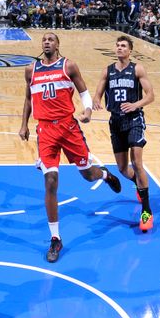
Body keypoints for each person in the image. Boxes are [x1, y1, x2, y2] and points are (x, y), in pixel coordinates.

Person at [19, 32, 121, 263]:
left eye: (51, 39)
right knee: (51, 180)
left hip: (68, 128)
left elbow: (84, 92)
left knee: (87, 175)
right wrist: (24, 124)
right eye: (44, 39)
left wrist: (87, 111)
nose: (47, 42)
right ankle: (56, 238)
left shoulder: (68, 65)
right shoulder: (31, 69)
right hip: (45, 131)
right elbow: (28, 99)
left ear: (58, 44)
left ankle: (104, 174)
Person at [93, 35, 156, 232]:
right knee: (122, 168)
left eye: (123, 46)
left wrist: (135, 105)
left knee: (137, 163)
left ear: (130, 51)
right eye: (118, 45)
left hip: (135, 120)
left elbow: (151, 95)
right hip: (116, 121)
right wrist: (95, 101)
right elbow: (97, 93)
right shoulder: (108, 71)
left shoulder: (137, 69)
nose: (119, 48)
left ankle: (146, 211)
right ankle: (139, 185)